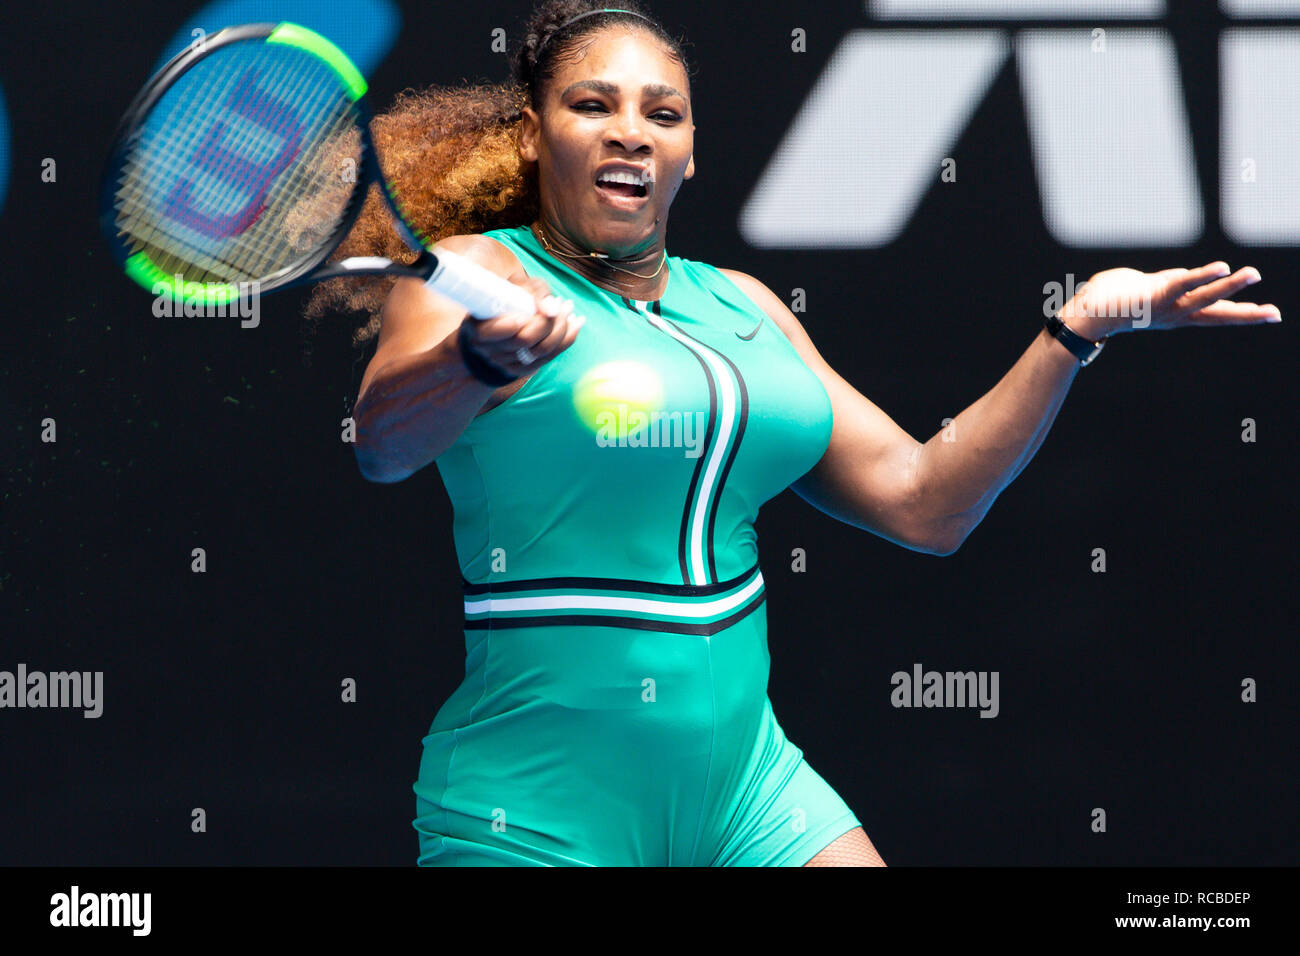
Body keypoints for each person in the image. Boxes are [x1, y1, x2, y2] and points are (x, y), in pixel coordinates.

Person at [309, 1, 1280, 866]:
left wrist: (1073, 331)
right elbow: (383, 442)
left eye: (662, 112)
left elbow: (922, 501)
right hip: (533, 808)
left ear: (690, 148)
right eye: (592, 105)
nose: (631, 133)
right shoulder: (476, 271)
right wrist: (474, 361)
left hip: (753, 795)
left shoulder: (746, 308)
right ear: (533, 135)